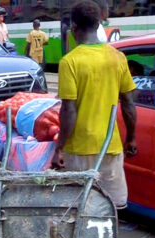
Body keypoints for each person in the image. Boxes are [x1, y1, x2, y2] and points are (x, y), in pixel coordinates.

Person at [56, 0, 137, 210]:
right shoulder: (118, 58)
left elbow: (69, 110)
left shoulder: (70, 62)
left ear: (73, 27)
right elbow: (129, 103)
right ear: (98, 23)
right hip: (111, 146)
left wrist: (59, 148)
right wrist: (131, 138)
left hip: (79, 150)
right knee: (110, 209)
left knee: (81, 210)